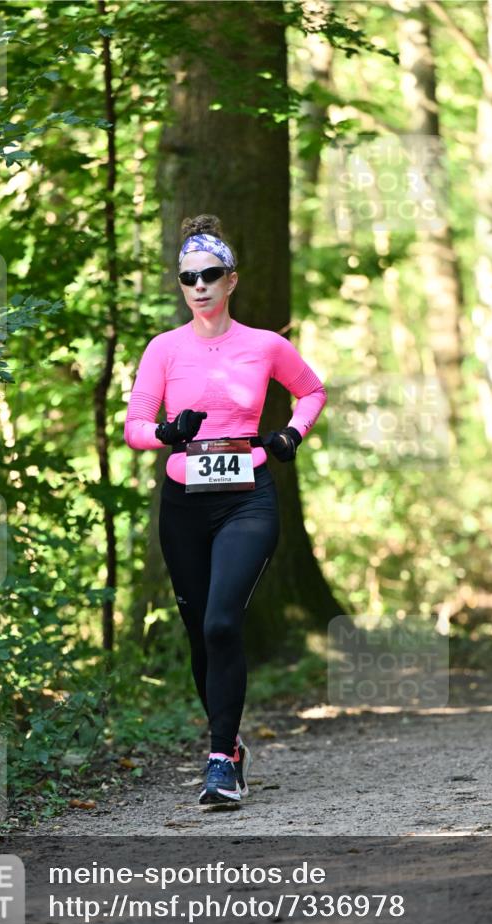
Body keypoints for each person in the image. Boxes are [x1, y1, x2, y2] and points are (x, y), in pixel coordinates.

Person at [124, 214, 327, 806]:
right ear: (181, 285)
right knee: (198, 635)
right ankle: (230, 744)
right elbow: (135, 426)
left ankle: (218, 763)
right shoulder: (163, 349)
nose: (200, 286)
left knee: (221, 622)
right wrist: (167, 431)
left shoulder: (266, 345)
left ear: (231, 281)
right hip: (185, 503)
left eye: (211, 274)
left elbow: (311, 391)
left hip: (248, 500)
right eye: (189, 277)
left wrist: (290, 434)